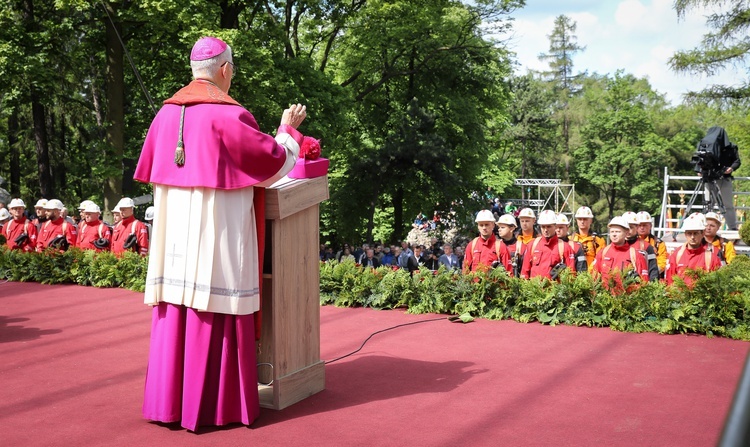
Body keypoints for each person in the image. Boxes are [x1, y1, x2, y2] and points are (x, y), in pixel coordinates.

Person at [134, 36, 306, 431]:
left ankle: (169, 402)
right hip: (216, 236)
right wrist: (287, 130)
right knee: (216, 295)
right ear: (225, 70)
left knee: (176, 299)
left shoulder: (164, 116)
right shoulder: (229, 116)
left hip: (175, 239)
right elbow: (273, 162)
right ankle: (213, 406)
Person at [695, 126, 741, 230]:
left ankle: (732, 228)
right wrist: (699, 170)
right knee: (708, 204)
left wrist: (731, 168)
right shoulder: (704, 145)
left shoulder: (731, 147)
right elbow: (699, 159)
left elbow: (737, 161)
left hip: (724, 178)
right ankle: (706, 228)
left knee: (727, 204)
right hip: (708, 178)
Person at [590, 216, 649, 288]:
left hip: (627, 298)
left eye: (617, 231)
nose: (614, 234)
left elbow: (644, 283)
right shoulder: (602, 253)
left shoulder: (635, 255)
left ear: (626, 232)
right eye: (612, 232)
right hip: (605, 297)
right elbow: (593, 279)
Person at [665, 213, 721, 286]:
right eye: (689, 233)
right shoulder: (676, 255)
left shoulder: (711, 258)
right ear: (685, 234)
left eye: (695, 233)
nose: (692, 237)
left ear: (703, 233)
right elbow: (669, 283)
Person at [520, 210, 576, 280]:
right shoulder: (532, 245)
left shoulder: (565, 247)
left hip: (555, 290)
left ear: (555, 226)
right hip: (534, 289)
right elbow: (524, 273)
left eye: (549, 226)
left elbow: (571, 275)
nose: (545, 230)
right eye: (543, 227)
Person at [463, 209, 510, 274]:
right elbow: (465, 271)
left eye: (487, 224)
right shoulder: (471, 245)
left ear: (493, 225)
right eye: (481, 225)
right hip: (474, 284)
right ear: (478, 226)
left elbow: (509, 273)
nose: (484, 227)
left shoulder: (501, 247)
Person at [622, 211, 659, 282]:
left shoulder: (647, 247)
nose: (628, 230)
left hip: (641, 287)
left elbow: (653, 270)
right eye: (626, 228)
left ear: (636, 227)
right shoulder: (616, 247)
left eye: (631, 227)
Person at [635, 211, 667, 276]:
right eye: (639, 225)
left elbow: (662, 263)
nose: (642, 227)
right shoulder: (630, 242)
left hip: (652, 276)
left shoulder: (658, 243)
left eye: (644, 225)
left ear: (650, 226)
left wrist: (652, 274)